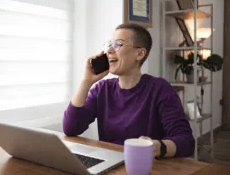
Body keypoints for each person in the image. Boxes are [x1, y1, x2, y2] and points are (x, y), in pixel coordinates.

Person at [62, 23, 195, 158]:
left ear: (140, 53)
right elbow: (71, 128)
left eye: (118, 44)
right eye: (109, 44)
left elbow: (186, 142)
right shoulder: (102, 89)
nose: (109, 51)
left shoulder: (159, 88)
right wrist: (86, 82)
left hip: (145, 166)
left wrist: (157, 147)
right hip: (110, 164)